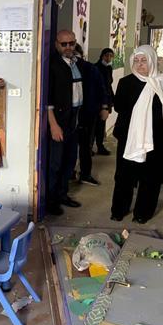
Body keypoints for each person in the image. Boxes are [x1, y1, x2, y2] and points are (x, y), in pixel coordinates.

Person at [111, 45, 163, 224]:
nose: (140, 64)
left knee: (150, 176)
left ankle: (143, 213)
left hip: (157, 138)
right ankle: (119, 210)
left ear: (152, 61)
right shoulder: (126, 82)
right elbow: (118, 107)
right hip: (130, 137)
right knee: (124, 175)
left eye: (144, 60)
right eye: (136, 60)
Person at [47, 30, 84, 215]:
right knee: (56, 164)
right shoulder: (52, 66)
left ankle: (63, 195)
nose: (68, 47)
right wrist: (53, 125)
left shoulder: (76, 63)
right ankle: (51, 202)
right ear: (56, 44)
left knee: (69, 161)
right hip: (59, 121)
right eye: (64, 44)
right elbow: (47, 101)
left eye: (71, 43)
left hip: (74, 119)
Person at [74, 44, 110, 186]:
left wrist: (105, 107)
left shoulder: (90, 68)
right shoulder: (63, 68)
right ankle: (81, 173)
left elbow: (102, 88)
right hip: (78, 114)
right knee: (82, 146)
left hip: (87, 113)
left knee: (85, 146)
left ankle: (84, 173)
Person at [94, 48, 115, 155]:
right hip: (98, 101)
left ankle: (100, 145)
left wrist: (112, 99)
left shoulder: (109, 68)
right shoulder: (96, 68)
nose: (108, 58)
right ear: (102, 56)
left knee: (101, 124)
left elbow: (108, 85)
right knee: (95, 125)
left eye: (111, 56)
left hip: (106, 99)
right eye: (107, 55)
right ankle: (91, 146)